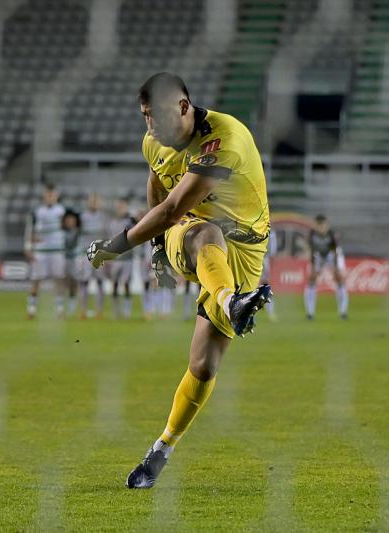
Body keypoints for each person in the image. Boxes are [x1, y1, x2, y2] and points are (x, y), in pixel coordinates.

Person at [87, 72, 272, 489]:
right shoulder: (155, 141)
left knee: (203, 366)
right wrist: (156, 252)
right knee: (205, 231)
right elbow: (160, 186)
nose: (151, 126)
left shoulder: (224, 139)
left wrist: (114, 246)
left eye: (158, 116)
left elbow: (170, 207)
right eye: (145, 116)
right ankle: (232, 303)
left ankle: (162, 449)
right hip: (195, 236)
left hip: (246, 250)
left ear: (185, 108)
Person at [24, 183, 66, 319]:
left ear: (56, 196)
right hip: (41, 251)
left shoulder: (62, 211)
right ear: (44, 196)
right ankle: (31, 309)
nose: (50, 198)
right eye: (47, 195)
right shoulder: (37, 212)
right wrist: (28, 246)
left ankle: (60, 309)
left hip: (57, 250)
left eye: (52, 195)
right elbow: (30, 230)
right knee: (36, 280)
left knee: (58, 280)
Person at [304, 214, 348, 320]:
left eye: (322, 225)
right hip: (318, 255)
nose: (321, 228)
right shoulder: (311, 235)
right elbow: (311, 251)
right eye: (318, 225)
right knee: (312, 279)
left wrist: (335, 267)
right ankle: (310, 312)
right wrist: (314, 266)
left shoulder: (331, 235)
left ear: (326, 225)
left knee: (339, 278)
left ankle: (343, 311)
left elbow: (335, 252)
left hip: (331, 255)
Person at [77, 193, 109, 318]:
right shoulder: (82, 217)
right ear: (88, 203)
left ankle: (99, 311)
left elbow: (107, 237)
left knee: (100, 282)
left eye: (96, 202)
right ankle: (83, 311)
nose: (94, 204)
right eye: (92, 201)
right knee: (84, 282)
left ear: (99, 203)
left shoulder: (104, 218)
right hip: (85, 254)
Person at [106, 197, 136, 319]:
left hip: (128, 258)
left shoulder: (130, 221)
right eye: (118, 207)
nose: (120, 209)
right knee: (114, 284)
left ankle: (127, 311)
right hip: (115, 258)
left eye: (122, 206)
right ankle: (116, 311)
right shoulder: (112, 222)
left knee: (126, 283)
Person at [62, 209, 82, 317]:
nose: (70, 222)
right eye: (68, 220)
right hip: (63, 259)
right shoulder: (62, 232)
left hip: (75, 259)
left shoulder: (79, 231)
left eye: (72, 220)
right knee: (63, 283)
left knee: (74, 282)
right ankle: (61, 307)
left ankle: (73, 307)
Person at [259, 228, 278, 321]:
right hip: (254, 258)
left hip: (263, 259)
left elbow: (272, 249)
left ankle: (270, 311)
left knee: (265, 284)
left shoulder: (270, 231)